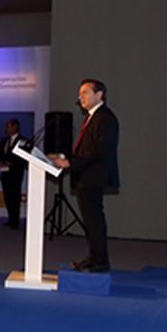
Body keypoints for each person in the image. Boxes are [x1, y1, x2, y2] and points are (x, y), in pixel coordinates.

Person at [49, 79, 120, 273]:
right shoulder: (92, 117)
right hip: (86, 176)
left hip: (93, 176)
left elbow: (99, 150)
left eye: (85, 93)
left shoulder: (105, 118)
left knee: (94, 221)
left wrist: (70, 163)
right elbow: (86, 149)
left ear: (99, 95)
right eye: (80, 94)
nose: (80, 97)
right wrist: (63, 158)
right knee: (91, 221)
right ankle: (94, 257)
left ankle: (100, 261)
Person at [0, 118, 28, 229]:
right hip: (4, 173)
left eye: (8, 126)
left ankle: (15, 221)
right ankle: (10, 219)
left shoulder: (23, 140)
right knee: (7, 196)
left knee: (15, 196)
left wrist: (12, 163)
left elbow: (23, 158)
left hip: (15, 174)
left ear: (15, 127)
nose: (6, 129)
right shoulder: (4, 140)